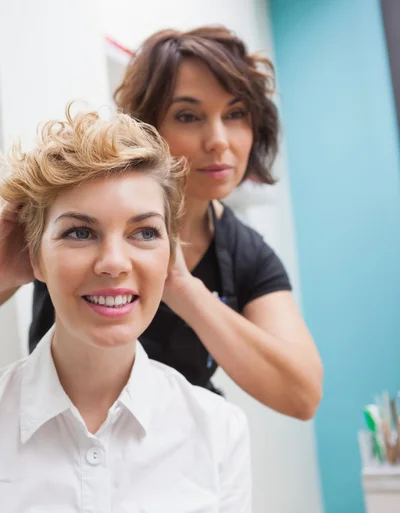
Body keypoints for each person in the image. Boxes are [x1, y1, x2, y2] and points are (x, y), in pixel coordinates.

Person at [0, 26, 323, 421]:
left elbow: (301, 395)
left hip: (179, 457)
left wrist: (184, 290)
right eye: (188, 116)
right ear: (145, 127)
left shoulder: (246, 253)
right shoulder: (67, 205)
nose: (219, 140)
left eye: (236, 114)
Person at [0, 105, 257, 513]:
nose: (115, 263)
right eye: (80, 232)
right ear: (35, 255)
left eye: (144, 232)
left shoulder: (218, 430)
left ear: (169, 254)